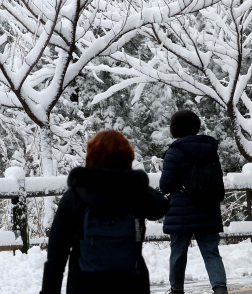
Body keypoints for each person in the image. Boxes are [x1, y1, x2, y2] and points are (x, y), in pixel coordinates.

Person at [40, 130, 169, 294]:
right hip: (131, 282)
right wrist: (136, 181)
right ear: (127, 158)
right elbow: (160, 207)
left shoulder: (75, 195)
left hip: (83, 284)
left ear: (91, 157)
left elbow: (57, 253)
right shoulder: (135, 192)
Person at [160, 110, 228, 294]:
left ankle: (176, 290)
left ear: (175, 128)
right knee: (211, 252)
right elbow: (217, 180)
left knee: (178, 253)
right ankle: (220, 288)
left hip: (181, 212)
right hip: (208, 209)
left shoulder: (174, 152)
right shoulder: (211, 150)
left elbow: (165, 186)